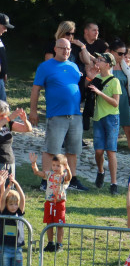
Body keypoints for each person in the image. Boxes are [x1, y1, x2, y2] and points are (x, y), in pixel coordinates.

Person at [30, 38, 88, 192]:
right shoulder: (45, 67)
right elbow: (36, 89)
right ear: (55, 49)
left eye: (68, 49)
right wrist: (33, 111)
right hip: (56, 114)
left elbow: (80, 87)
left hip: (75, 114)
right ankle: (46, 180)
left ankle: (72, 179)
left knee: (73, 149)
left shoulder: (74, 67)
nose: (66, 51)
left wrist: (90, 78)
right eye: (62, 48)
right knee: (51, 149)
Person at [87, 54, 122, 194]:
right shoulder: (97, 78)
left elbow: (115, 103)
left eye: (101, 60)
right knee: (98, 151)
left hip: (111, 118)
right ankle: (100, 171)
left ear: (108, 64)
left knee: (111, 151)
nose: (98, 62)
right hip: (98, 118)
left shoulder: (115, 81)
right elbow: (86, 91)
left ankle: (114, 183)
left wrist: (100, 93)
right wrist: (90, 76)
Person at [29, 152, 70, 252]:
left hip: (59, 203)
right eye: (53, 165)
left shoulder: (64, 176)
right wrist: (34, 164)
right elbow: (37, 173)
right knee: (49, 222)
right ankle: (50, 243)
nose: (55, 168)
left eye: (58, 166)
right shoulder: (49, 174)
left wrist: (68, 169)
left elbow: (69, 178)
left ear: (64, 167)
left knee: (59, 224)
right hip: (49, 202)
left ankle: (59, 244)